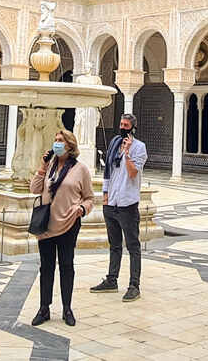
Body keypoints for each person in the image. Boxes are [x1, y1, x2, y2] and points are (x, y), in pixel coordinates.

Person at [29, 128, 94, 327]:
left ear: (70, 145)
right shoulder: (49, 167)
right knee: (46, 267)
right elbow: (34, 189)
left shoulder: (80, 169)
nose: (56, 143)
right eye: (55, 139)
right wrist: (42, 166)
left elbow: (90, 197)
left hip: (68, 223)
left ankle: (67, 308)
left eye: (60, 140)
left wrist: (82, 209)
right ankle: (44, 308)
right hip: (46, 224)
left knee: (66, 266)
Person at [90, 113, 147, 301]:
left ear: (133, 127)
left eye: (125, 125)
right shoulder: (114, 144)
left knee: (133, 246)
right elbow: (108, 172)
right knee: (114, 245)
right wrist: (105, 196)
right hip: (111, 203)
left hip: (127, 204)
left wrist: (129, 152)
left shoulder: (139, 148)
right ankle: (111, 280)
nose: (122, 127)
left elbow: (132, 173)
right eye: (121, 124)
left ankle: (134, 285)